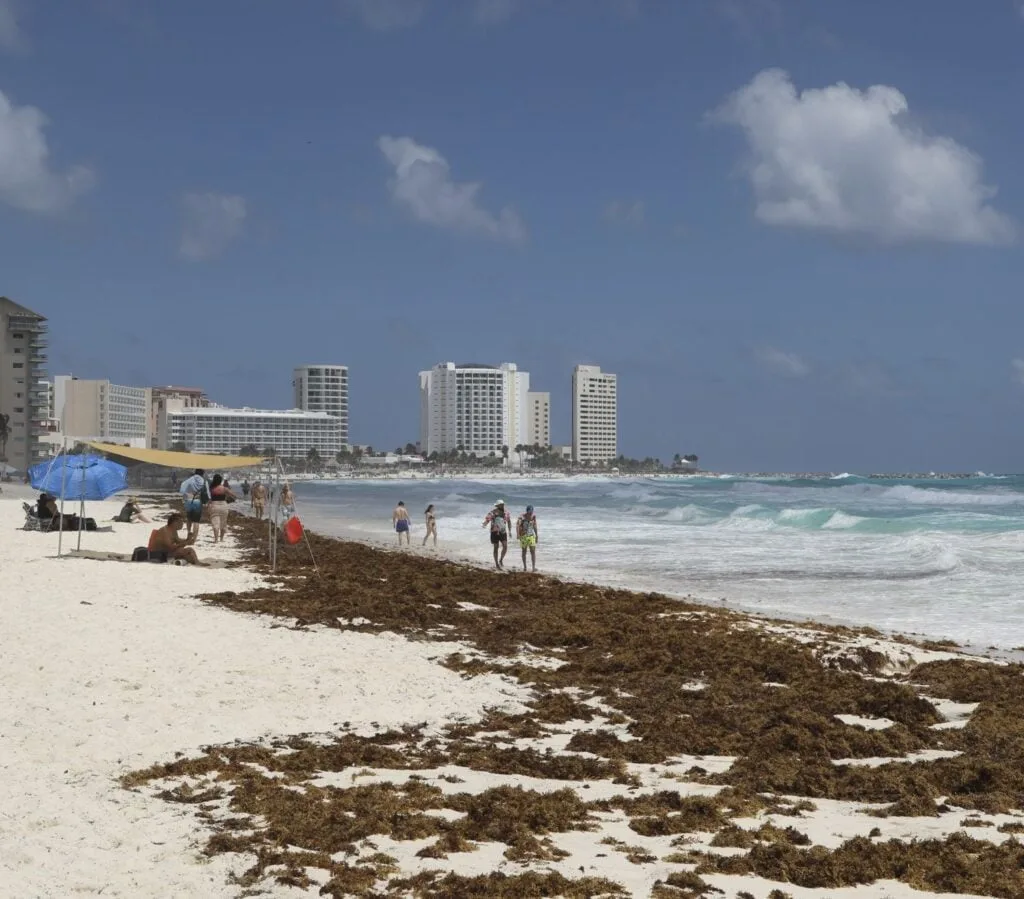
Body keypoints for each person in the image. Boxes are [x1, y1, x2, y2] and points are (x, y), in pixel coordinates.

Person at [179, 468, 209, 540]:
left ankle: (189, 533)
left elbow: (182, 489)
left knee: (189, 519)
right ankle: (194, 538)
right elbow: (207, 493)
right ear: (202, 474)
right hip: (197, 501)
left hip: (188, 500)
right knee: (196, 521)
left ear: (195, 473)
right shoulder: (204, 481)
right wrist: (207, 502)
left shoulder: (190, 480)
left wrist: (186, 495)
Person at [207, 474, 238, 543]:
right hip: (223, 505)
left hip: (214, 505)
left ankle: (216, 540)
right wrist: (227, 498)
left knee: (215, 523)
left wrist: (208, 506)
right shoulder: (224, 488)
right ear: (221, 480)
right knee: (223, 523)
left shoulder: (212, 488)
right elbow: (234, 496)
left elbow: (210, 499)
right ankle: (221, 539)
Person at [482, 499, 512, 570]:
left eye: (503, 504)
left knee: (505, 546)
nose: (503, 505)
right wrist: (484, 524)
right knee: (496, 547)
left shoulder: (506, 513)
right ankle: (496, 564)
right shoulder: (493, 512)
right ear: (497, 505)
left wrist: (510, 531)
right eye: (501, 504)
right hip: (494, 532)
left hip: (503, 532)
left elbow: (509, 521)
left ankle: (501, 559)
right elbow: (488, 519)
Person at [516, 505, 539, 572]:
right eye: (529, 511)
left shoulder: (533, 517)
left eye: (532, 511)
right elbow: (518, 525)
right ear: (527, 511)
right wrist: (518, 534)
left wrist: (537, 535)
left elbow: (535, 526)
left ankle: (533, 568)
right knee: (524, 552)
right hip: (523, 536)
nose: (531, 513)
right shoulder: (522, 517)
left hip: (531, 536)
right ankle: (525, 567)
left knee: (533, 552)